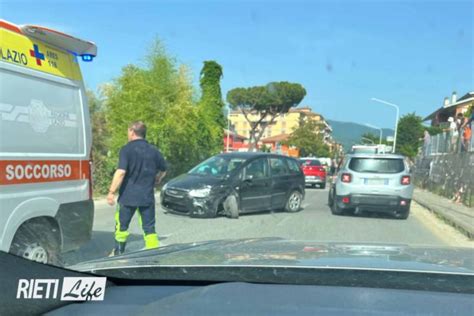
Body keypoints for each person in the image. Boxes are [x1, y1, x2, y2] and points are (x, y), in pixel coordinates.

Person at [107, 121, 167, 256]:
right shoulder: (154, 151)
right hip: (147, 196)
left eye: (128, 131)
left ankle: (118, 253)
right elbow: (163, 170)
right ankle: (153, 255)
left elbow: (121, 172)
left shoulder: (126, 149)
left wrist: (111, 192)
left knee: (121, 227)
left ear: (132, 132)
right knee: (149, 228)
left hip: (128, 197)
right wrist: (158, 178)